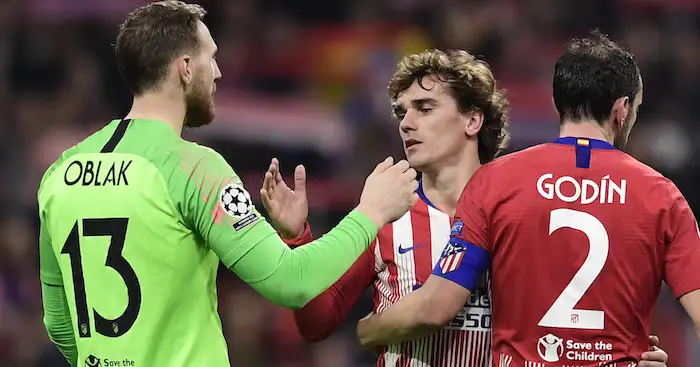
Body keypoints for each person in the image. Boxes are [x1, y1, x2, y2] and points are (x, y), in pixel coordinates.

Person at [37, 2, 418, 367]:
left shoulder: (60, 172)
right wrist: (371, 212)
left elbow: (59, 324)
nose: (218, 72)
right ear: (185, 68)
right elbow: (291, 279)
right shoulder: (194, 168)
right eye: (211, 57)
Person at [261, 49, 669, 366]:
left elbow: (576, 320)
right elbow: (317, 323)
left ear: (473, 121)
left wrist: (627, 355)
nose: (406, 123)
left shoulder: (532, 212)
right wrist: (297, 237)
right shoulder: (386, 216)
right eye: (402, 112)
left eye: (425, 108)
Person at [355, 31, 698, 367]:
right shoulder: (662, 196)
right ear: (622, 109)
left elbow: (436, 308)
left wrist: (368, 330)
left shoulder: (498, 181)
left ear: (557, 103)